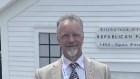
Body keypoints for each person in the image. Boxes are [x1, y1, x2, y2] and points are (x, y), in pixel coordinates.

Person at [34, 14, 111, 79]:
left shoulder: (103, 71)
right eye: (65, 36)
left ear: (83, 37)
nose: (71, 40)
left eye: (76, 35)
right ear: (58, 39)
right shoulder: (42, 75)